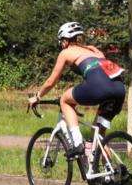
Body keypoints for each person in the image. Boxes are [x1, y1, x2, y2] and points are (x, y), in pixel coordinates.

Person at [27, 22, 126, 159]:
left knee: (65, 100)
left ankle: (78, 144)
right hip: (119, 87)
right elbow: (96, 72)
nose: (61, 44)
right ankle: (111, 175)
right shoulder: (93, 49)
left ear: (66, 40)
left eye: (61, 41)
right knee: (98, 138)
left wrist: (37, 96)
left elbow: (51, 81)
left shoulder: (66, 52)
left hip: (100, 86)